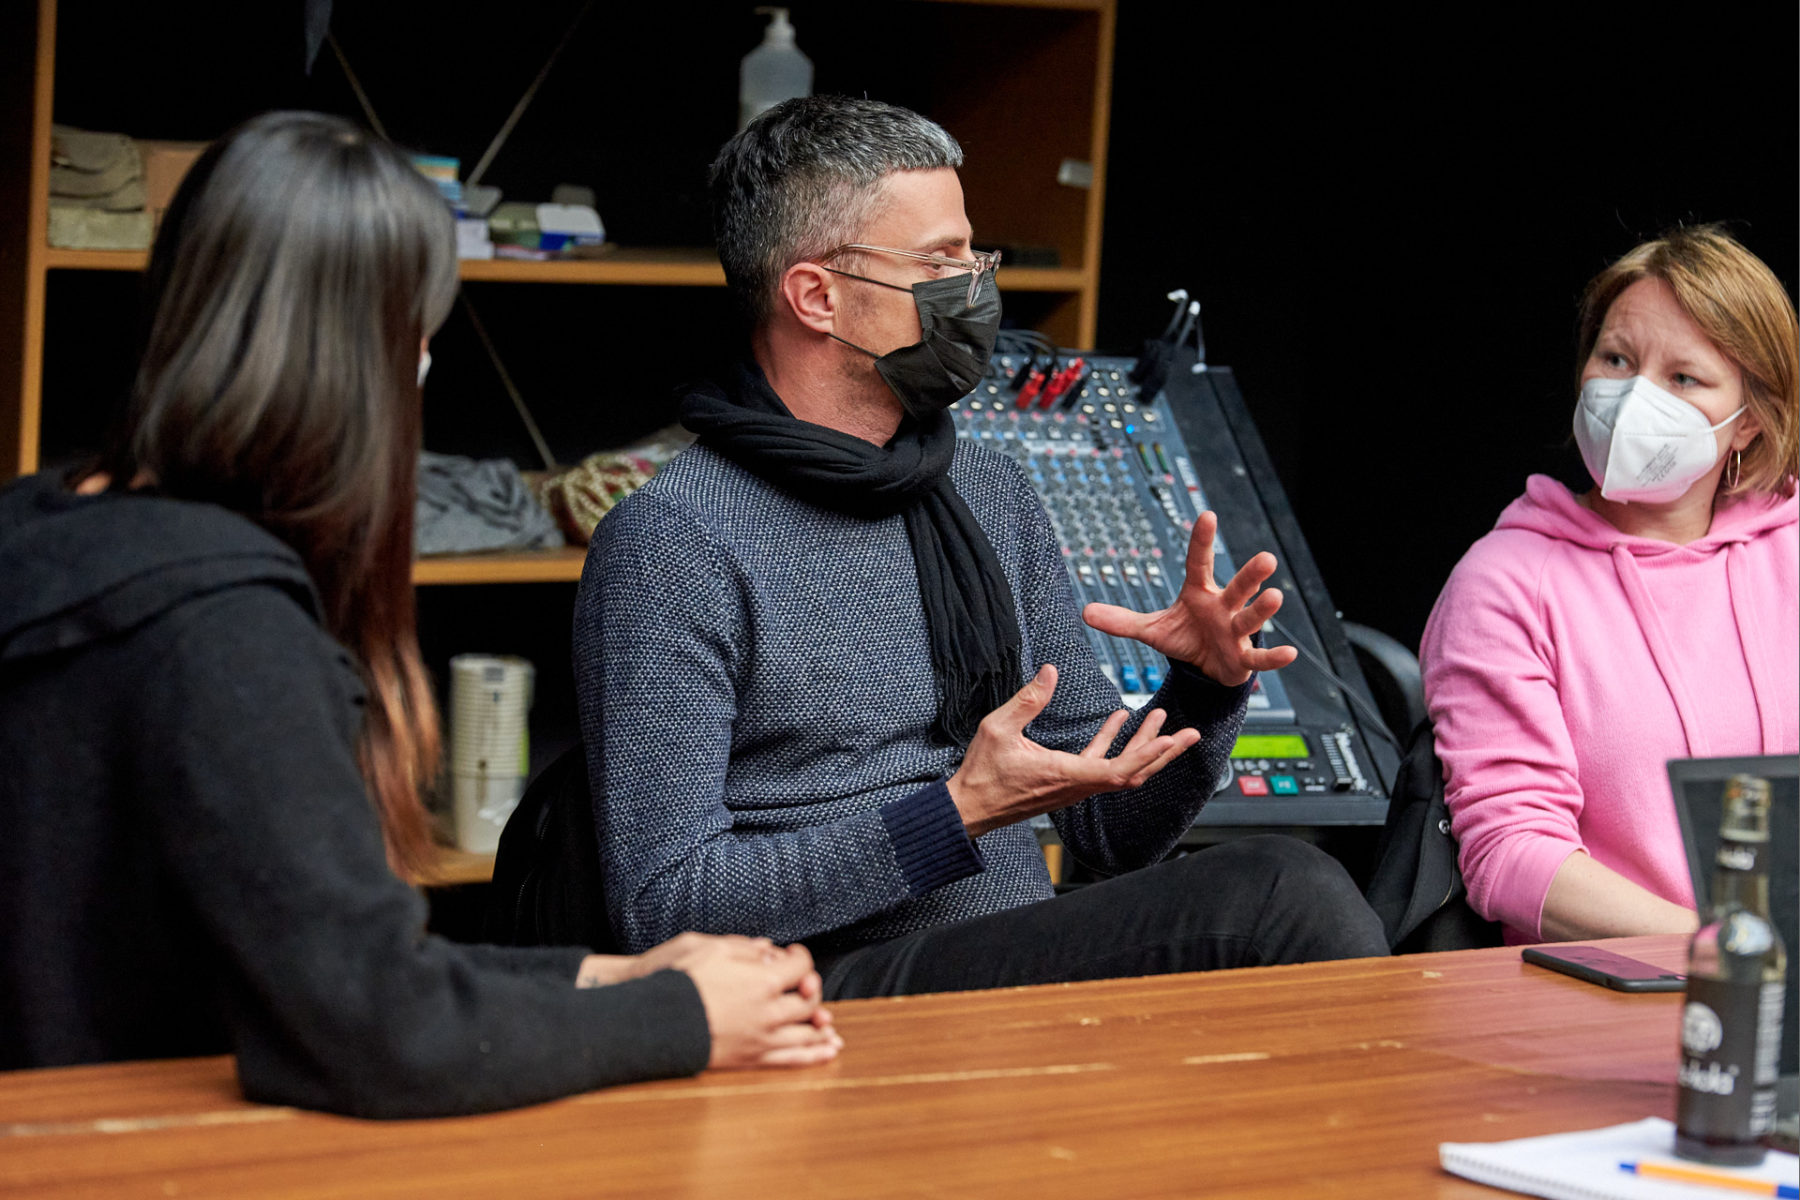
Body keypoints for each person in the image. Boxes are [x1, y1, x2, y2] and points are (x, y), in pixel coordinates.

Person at [0, 111, 839, 1119]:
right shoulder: (224, 631)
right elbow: (376, 1028)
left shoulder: (40, 532)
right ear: (379, 349)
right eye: (424, 331)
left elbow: (323, 957)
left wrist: (617, 979)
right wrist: (684, 1020)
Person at [575, 96, 1388, 999]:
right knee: (1285, 894)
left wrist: (1202, 685)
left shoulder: (990, 493)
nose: (975, 288)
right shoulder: (672, 540)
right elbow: (662, 906)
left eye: (974, 254)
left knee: (1294, 894)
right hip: (821, 988)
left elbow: (1111, 836)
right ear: (815, 295)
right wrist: (954, 813)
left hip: (1006, 952)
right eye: (938, 261)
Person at [1421, 225, 1798, 945]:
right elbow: (1513, 856)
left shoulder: (1790, 549)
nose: (1632, 399)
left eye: (1683, 378)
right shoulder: (1506, 583)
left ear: (1746, 421)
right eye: (1616, 359)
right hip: (1612, 997)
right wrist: (1724, 952)